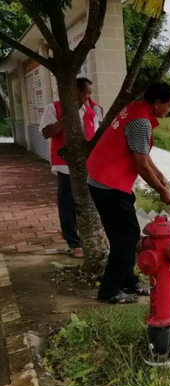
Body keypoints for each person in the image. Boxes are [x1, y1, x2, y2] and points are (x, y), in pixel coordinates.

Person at [86, 82, 170, 304]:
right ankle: (110, 291)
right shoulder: (140, 121)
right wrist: (162, 191)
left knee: (125, 235)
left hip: (105, 179)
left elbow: (142, 154)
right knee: (126, 237)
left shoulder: (136, 109)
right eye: (169, 105)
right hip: (109, 184)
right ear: (157, 103)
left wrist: (160, 175)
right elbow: (141, 165)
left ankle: (128, 280)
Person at [39, 77, 103, 259]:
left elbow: (95, 134)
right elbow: (45, 133)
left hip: (87, 164)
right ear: (75, 91)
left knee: (87, 201)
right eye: (87, 92)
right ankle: (73, 241)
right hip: (64, 164)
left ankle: (88, 236)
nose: (89, 96)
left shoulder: (89, 111)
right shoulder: (55, 108)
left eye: (90, 93)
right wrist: (64, 121)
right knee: (67, 201)